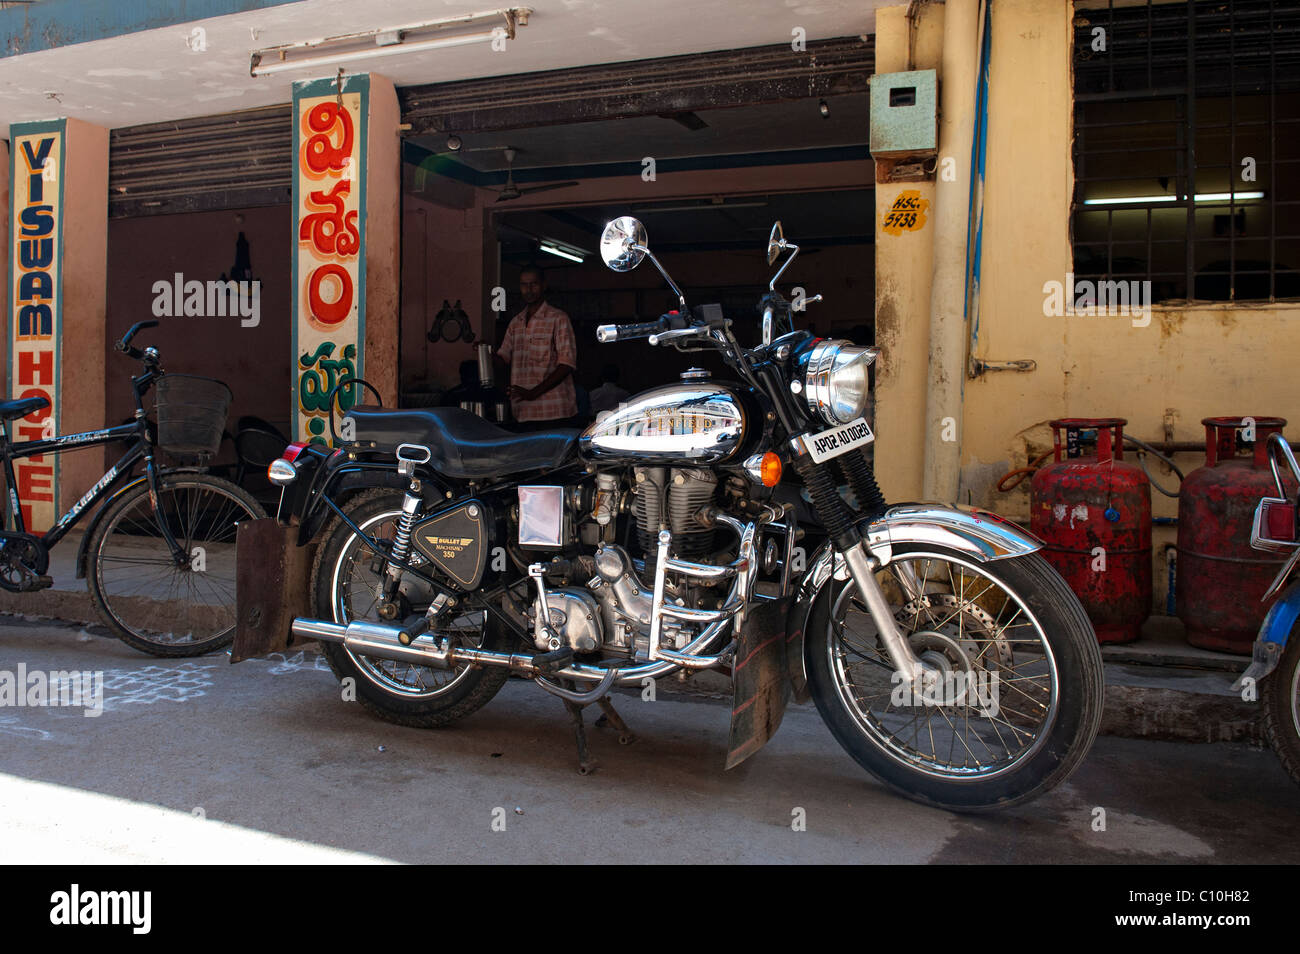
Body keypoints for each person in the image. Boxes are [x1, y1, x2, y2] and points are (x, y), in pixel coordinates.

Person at [495, 265, 578, 431]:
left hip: (555, 413)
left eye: (534, 284)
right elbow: (502, 359)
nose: (529, 289)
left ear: (544, 285)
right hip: (523, 413)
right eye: (524, 285)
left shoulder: (558, 318)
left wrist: (533, 393)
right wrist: (484, 351)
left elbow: (567, 365)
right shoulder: (515, 323)